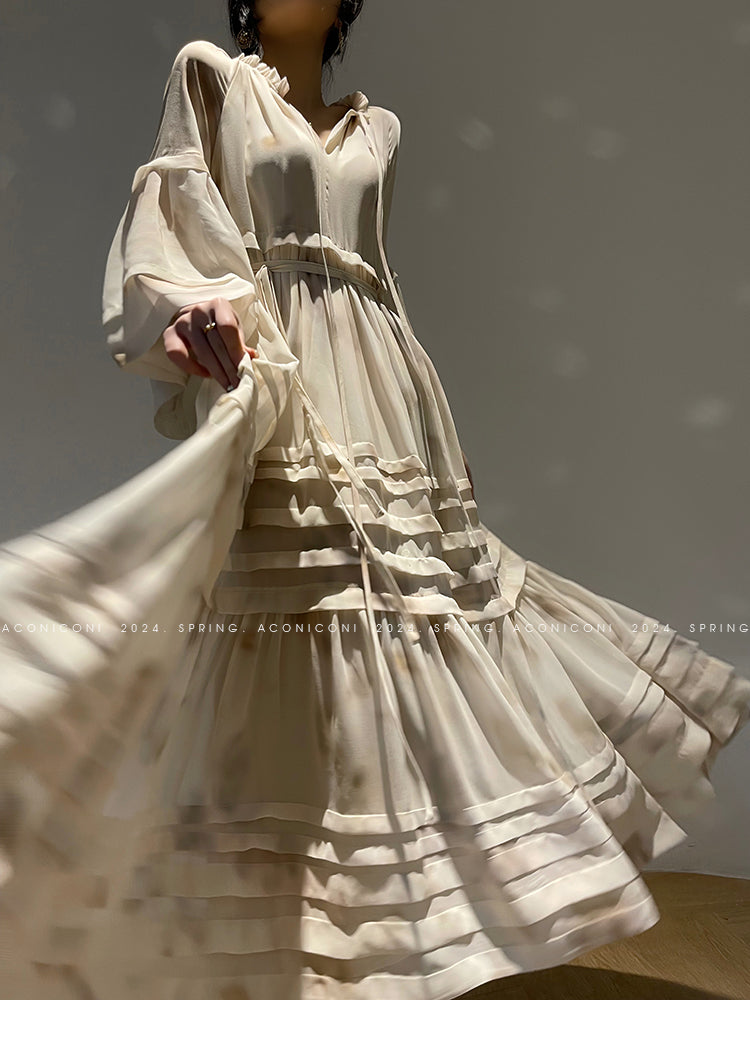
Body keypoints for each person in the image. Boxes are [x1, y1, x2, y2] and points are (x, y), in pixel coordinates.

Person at [0, 0, 748, 1000]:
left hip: (386, 389)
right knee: (287, 616)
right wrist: (186, 316)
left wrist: (431, 423)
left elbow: (378, 283)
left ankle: (391, 938)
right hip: (280, 378)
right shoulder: (212, 76)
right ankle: (258, 932)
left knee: (416, 623)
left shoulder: (379, 128)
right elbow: (170, 230)